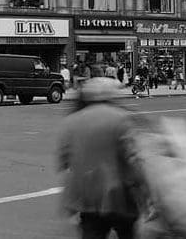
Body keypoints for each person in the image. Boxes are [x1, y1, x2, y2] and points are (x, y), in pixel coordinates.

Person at [57, 67, 137, 239]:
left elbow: (63, 161)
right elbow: (133, 156)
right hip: (119, 194)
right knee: (127, 232)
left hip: (87, 197)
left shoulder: (72, 121)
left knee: (92, 232)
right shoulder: (121, 118)